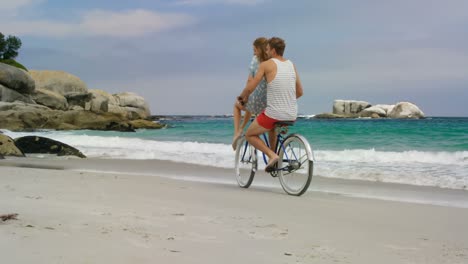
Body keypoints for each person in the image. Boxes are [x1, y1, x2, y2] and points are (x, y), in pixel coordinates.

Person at [238, 37, 303, 172]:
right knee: (272, 127)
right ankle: (273, 160)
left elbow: (251, 87)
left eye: (267, 49)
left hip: (274, 113)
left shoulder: (266, 65)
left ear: (273, 50)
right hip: (292, 114)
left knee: (249, 134)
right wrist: (286, 99)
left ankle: (272, 155)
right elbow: (300, 92)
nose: (266, 52)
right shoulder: (291, 64)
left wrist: (242, 96)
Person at [232, 37, 269, 150]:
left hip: (256, 101)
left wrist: (244, 95)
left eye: (254, 49)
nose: (253, 52)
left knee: (237, 105)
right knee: (249, 105)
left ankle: (238, 131)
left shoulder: (255, 60)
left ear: (259, 49)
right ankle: (242, 128)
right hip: (269, 102)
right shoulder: (271, 61)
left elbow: (250, 81)